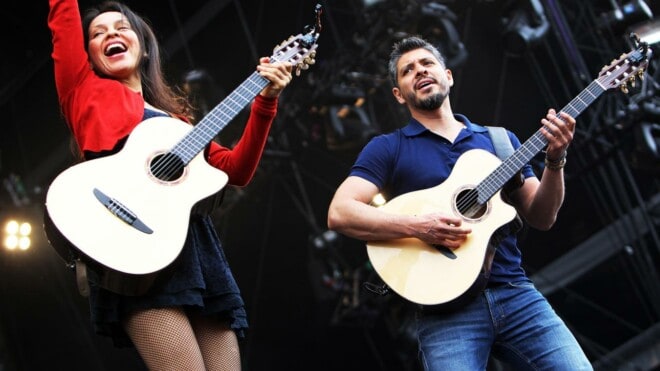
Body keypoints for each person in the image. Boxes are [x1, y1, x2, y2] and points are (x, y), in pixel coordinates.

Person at [47, 0, 292, 369]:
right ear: (88, 55)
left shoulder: (176, 124)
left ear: (144, 46)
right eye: (97, 34)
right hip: (133, 247)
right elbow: (62, 14)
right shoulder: (82, 89)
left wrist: (266, 102)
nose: (111, 33)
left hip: (195, 249)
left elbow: (236, 170)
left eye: (121, 27)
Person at [327, 36, 593, 370]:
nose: (419, 71)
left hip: (516, 294)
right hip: (445, 316)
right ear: (398, 94)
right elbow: (341, 212)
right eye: (408, 71)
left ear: (448, 75)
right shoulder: (387, 148)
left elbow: (542, 216)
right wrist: (421, 227)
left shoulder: (498, 140)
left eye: (427, 64)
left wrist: (556, 160)